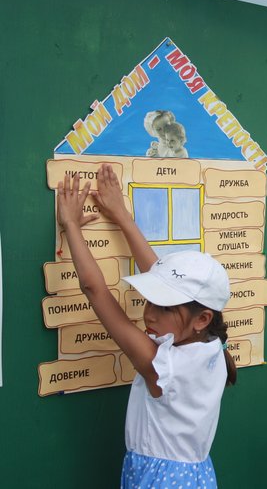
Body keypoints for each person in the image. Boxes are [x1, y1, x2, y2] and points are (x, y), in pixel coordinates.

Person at [56, 164, 237, 488]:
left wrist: (71, 224)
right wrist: (122, 217)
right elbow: (157, 271)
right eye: (150, 300)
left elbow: (95, 290)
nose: (149, 314)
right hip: (194, 477)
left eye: (164, 307)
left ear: (202, 319)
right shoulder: (211, 345)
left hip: (159, 481)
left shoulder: (163, 365)